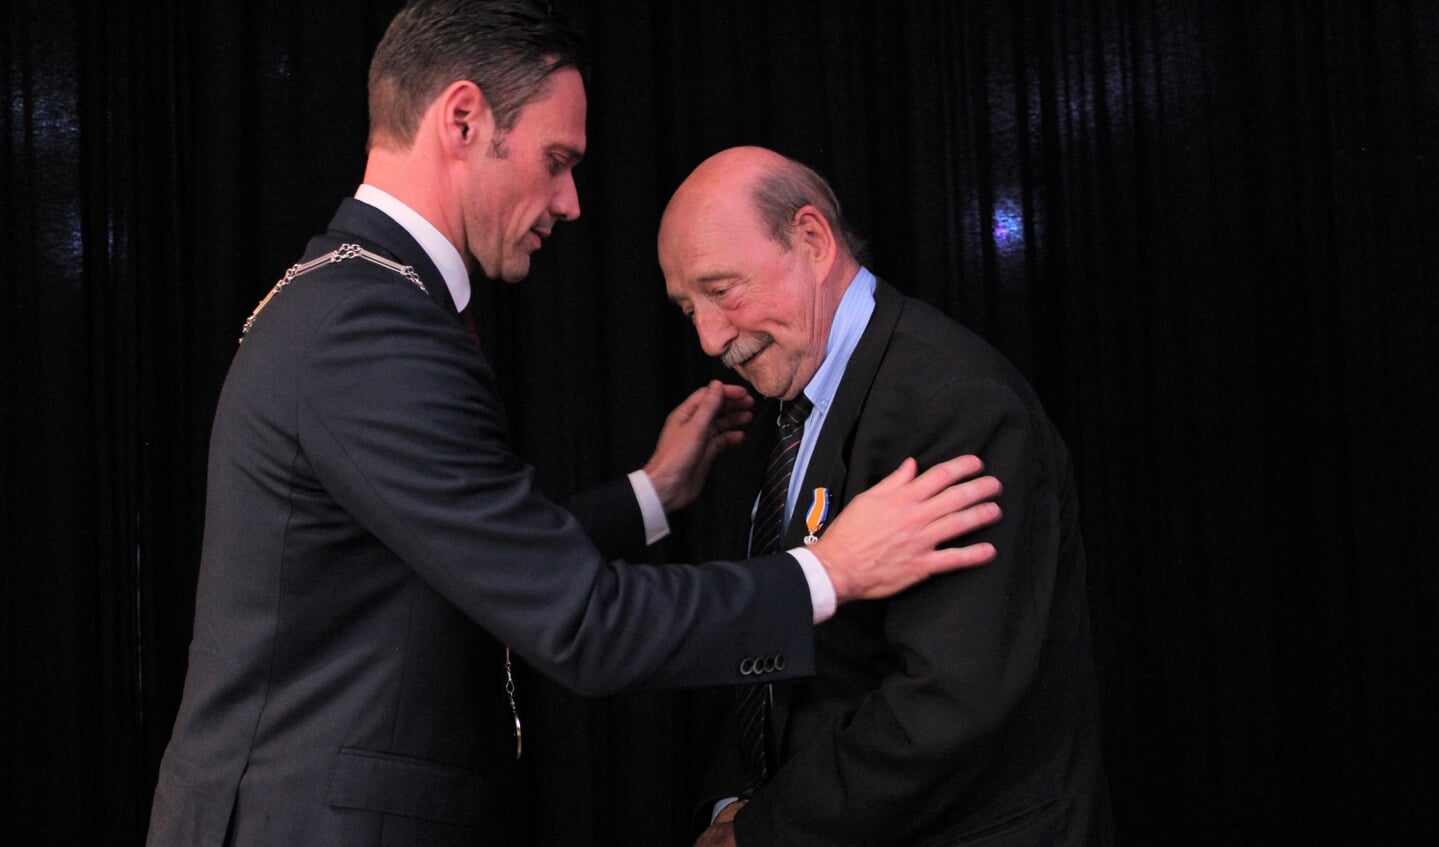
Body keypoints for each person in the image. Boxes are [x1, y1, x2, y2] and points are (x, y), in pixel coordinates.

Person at [145, 4, 1006, 846]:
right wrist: (827, 571)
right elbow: (581, 623)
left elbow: (468, 553)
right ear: (462, 120)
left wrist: (652, 495)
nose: (570, 201)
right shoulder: (370, 326)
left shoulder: (356, 298)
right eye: (557, 161)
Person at [660, 146, 1112, 846]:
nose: (710, 335)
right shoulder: (800, 398)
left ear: (811, 240)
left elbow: (949, 698)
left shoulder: (951, 402)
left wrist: (759, 832)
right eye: (689, 307)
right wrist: (729, 802)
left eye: (722, 290)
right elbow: (777, 658)